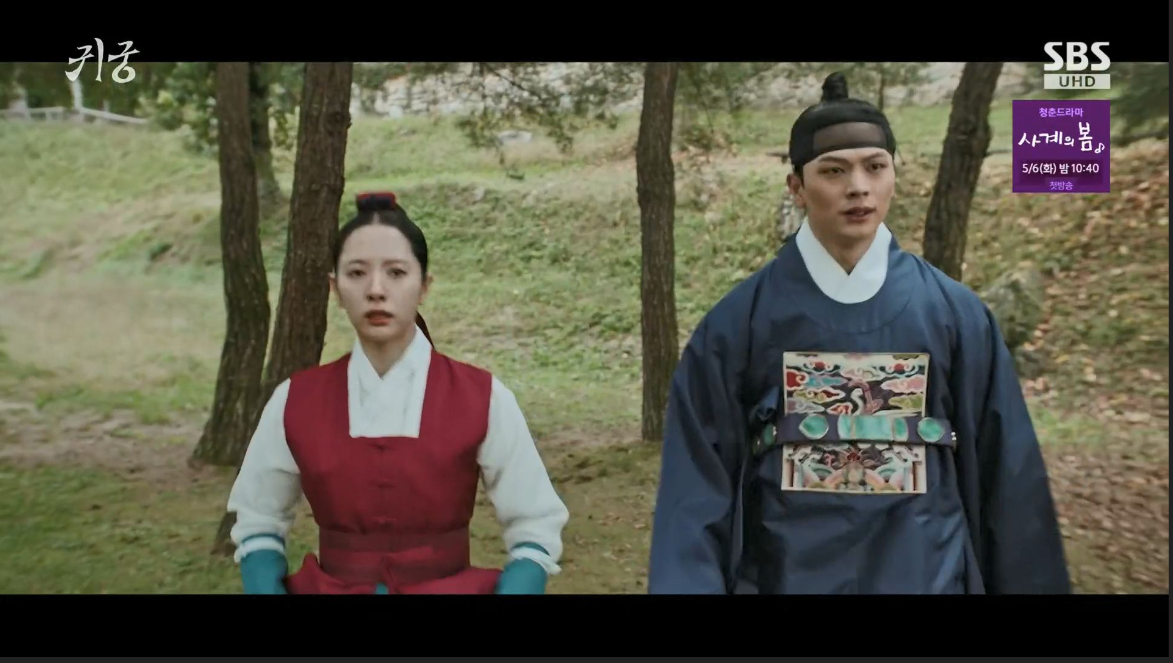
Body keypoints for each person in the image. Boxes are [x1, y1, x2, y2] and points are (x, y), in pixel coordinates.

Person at [647, 73, 1071, 594]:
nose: (858, 187)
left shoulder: (955, 316)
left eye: (875, 167)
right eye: (833, 170)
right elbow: (694, 498)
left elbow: (1011, 484)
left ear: (894, 175)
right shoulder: (737, 326)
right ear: (797, 187)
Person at [225, 191, 569, 594]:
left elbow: (534, 522)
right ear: (335, 288)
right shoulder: (295, 401)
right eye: (357, 273)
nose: (376, 290)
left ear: (424, 286)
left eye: (396, 273)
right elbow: (258, 517)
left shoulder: (483, 398)